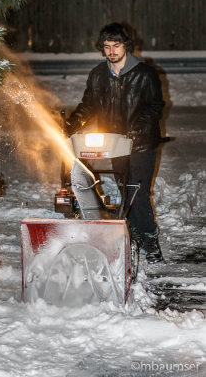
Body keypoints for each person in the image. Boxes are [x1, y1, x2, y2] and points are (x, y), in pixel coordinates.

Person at [65, 22, 165, 263]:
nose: (111, 51)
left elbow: (155, 106)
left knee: (136, 193)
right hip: (114, 143)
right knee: (123, 189)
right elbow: (89, 104)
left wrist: (138, 126)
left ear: (126, 46)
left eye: (116, 45)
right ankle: (131, 236)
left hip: (141, 143)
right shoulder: (98, 74)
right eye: (107, 46)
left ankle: (150, 244)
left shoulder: (145, 73)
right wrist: (74, 122)